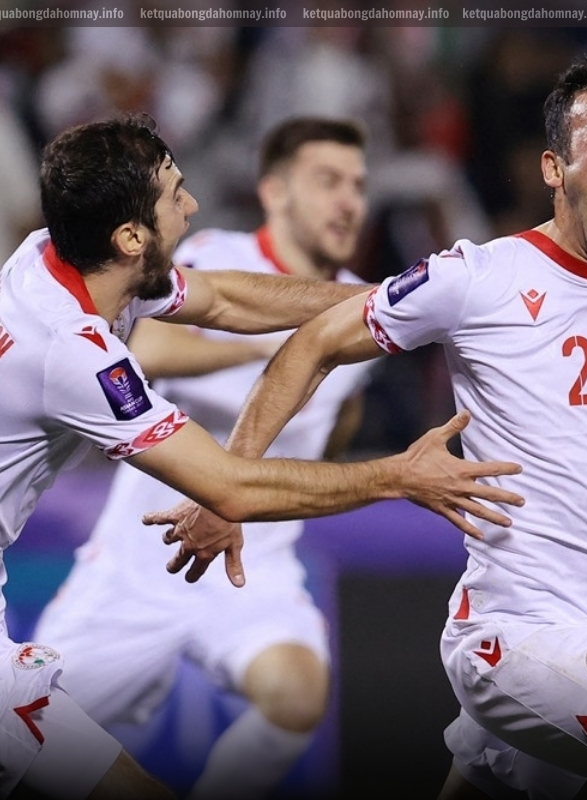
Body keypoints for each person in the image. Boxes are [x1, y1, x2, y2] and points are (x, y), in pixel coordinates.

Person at [150, 54, 587, 800]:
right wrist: (227, 485)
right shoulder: (478, 279)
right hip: (514, 641)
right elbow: (316, 341)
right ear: (555, 167)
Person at [0, 114, 525, 800]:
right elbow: (228, 485)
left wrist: (388, 306)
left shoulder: (64, 253)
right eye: (174, 196)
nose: (190, 206)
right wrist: (400, 475)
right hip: (143, 558)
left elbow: (221, 296)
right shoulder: (74, 351)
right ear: (130, 236)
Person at [32, 116, 376, 799]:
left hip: (252, 570)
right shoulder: (209, 254)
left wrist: (339, 360)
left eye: (359, 186)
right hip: (141, 560)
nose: (349, 203)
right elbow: (140, 348)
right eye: (328, 181)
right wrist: (281, 353)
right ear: (274, 192)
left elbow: (340, 418)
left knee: (299, 695)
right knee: (41, 740)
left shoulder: (366, 310)